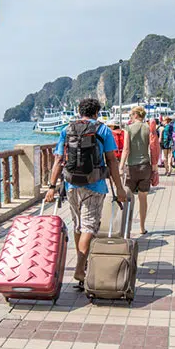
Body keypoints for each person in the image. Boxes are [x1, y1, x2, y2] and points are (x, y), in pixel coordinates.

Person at [45, 98, 127, 290]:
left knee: (78, 226)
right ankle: (80, 269)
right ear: (97, 112)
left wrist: (51, 186)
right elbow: (112, 161)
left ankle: (84, 263)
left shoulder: (67, 129)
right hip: (95, 185)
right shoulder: (103, 130)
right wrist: (120, 188)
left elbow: (58, 159)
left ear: (79, 111)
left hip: (71, 184)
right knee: (89, 227)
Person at [119, 106, 156, 235]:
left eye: (130, 114)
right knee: (143, 198)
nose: (130, 116)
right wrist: (155, 168)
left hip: (131, 168)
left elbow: (126, 149)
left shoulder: (128, 128)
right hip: (145, 167)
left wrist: (121, 167)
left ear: (135, 115)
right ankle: (142, 227)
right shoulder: (148, 128)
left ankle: (126, 230)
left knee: (128, 197)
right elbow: (153, 148)